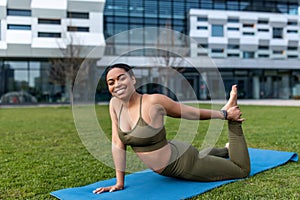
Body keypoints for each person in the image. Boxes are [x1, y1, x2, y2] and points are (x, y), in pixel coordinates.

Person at [93, 63, 250, 194]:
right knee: (202, 156)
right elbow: (117, 143)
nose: (117, 84)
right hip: (175, 150)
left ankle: (233, 118)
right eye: (111, 82)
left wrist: (224, 114)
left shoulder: (153, 101)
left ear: (133, 79)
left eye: (121, 78)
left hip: (183, 165)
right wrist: (119, 183)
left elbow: (189, 112)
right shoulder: (114, 104)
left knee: (241, 170)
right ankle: (226, 149)